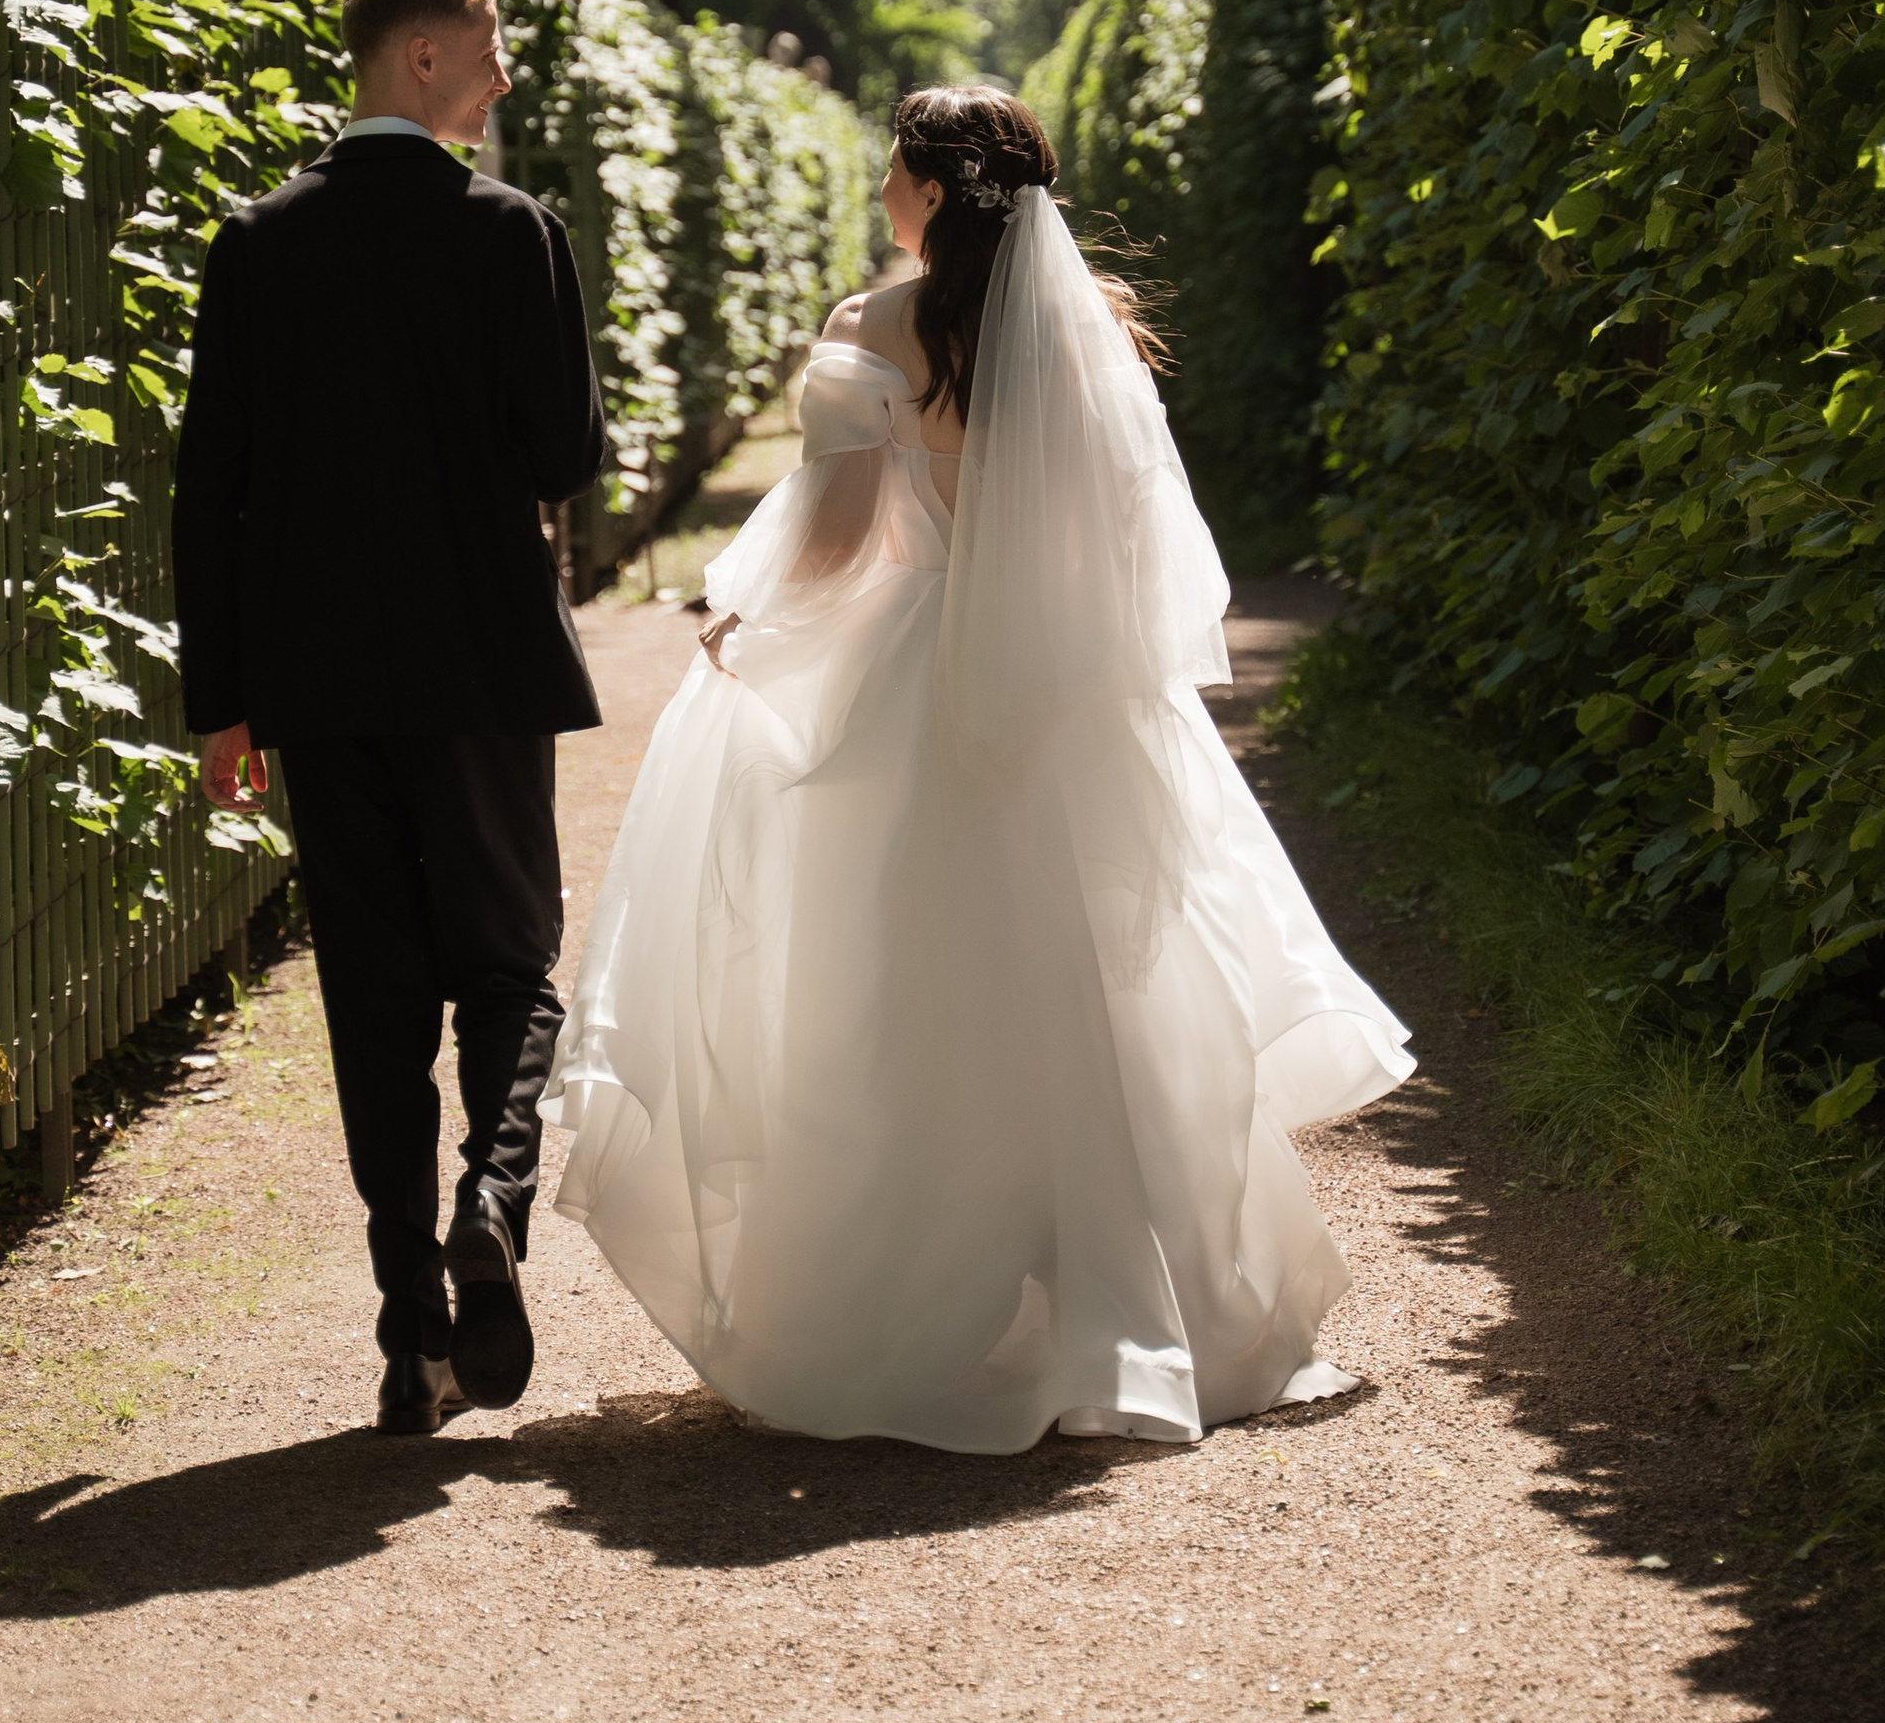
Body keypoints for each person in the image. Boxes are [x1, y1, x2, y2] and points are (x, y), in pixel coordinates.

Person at [544, 85, 1412, 1449]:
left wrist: (743, 622)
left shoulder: (867, 332)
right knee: (1094, 992)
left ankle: (913, 1303)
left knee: (904, 988)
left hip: (918, 682)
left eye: (896, 170)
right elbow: (1126, 541)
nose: (883, 189)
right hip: (1068, 695)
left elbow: (832, 543)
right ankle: (1151, 1305)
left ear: (935, 192)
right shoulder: (1094, 335)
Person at [173, 0, 607, 1436]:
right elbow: (562, 459)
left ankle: (409, 1332)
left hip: (321, 680)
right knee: (509, 966)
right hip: (482, 665)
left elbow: (208, 488)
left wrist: (222, 699)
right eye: (487, 49)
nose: (502, 77)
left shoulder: (257, 241)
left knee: (371, 998)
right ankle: (492, 1200)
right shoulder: (513, 234)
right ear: (419, 59)